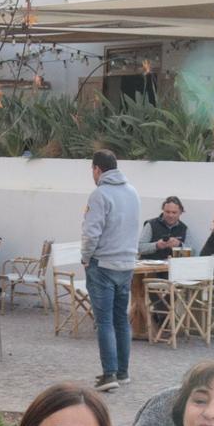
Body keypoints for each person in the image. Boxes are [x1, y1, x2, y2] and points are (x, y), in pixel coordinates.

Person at [81, 148, 141, 392]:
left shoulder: (99, 195)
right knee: (121, 320)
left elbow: (91, 232)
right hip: (126, 264)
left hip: (103, 264)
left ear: (97, 169)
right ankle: (123, 371)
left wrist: (85, 257)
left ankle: (109, 374)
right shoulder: (132, 192)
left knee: (104, 321)